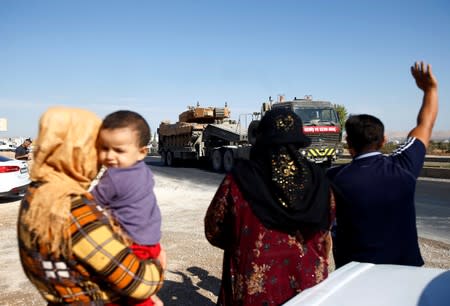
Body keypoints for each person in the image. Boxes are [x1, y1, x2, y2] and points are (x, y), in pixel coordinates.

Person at [17, 106, 164, 305]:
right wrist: (159, 264)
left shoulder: (37, 193)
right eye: (96, 148)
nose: (101, 158)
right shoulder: (70, 207)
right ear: (78, 151)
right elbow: (138, 283)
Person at [204, 108, 335, 305]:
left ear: (262, 138)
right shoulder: (319, 180)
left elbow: (214, 230)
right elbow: (328, 223)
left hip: (254, 289)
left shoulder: (239, 180)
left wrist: (243, 244)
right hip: (307, 289)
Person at [326, 61, 438, 268]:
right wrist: (430, 90)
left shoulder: (333, 178)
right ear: (383, 140)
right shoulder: (403, 166)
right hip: (406, 270)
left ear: (348, 143)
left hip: (355, 275)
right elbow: (425, 125)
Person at [91, 110, 163, 306]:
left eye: (119, 150)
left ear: (142, 151)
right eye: (104, 148)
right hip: (152, 242)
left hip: (131, 245)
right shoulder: (144, 171)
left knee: (120, 288)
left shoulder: (114, 176)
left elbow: (89, 205)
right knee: (139, 287)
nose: (109, 156)